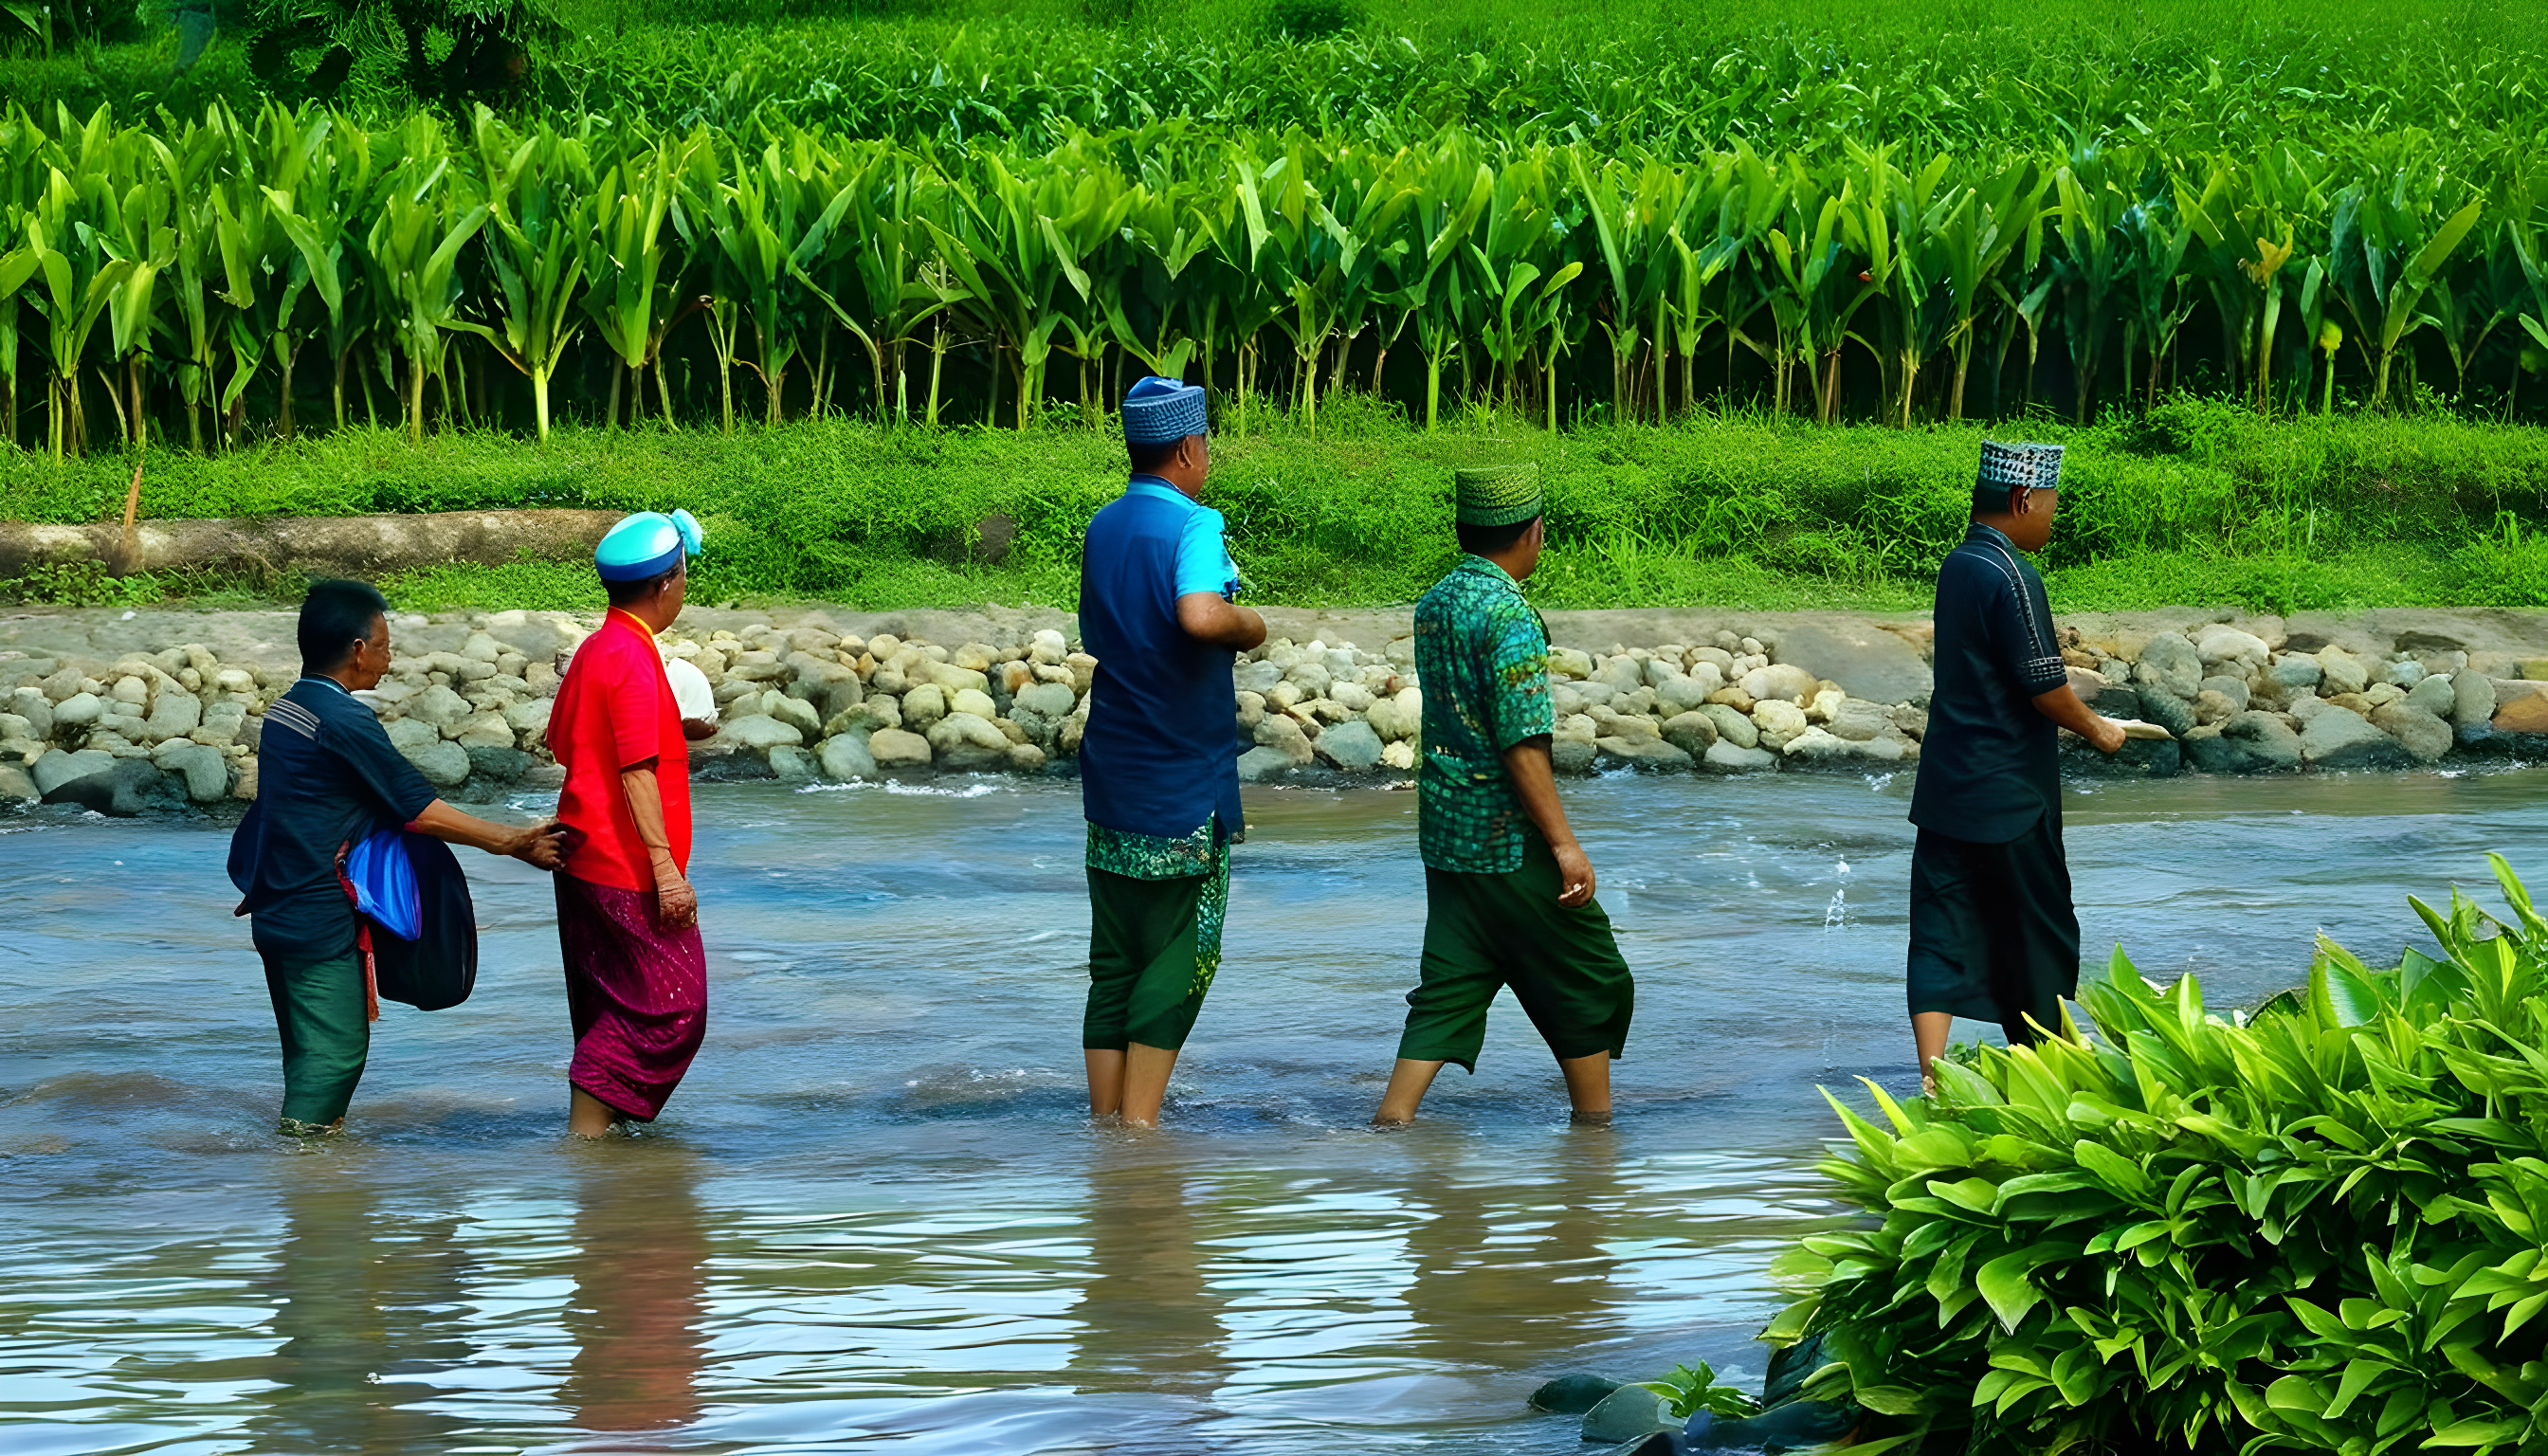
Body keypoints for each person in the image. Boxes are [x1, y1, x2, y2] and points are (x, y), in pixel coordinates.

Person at [230, 578, 564, 1136]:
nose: (389, 658)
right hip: (317, 915)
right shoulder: (343, 720)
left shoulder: (290, 709)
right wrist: (513, 841)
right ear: (358, 649)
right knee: (334, 1058)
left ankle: (304, 1187)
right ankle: (312, 1188)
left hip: (276, 904)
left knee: (306, 1052)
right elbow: (421, 810)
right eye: (385, 646)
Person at [1372, 464, 1634, 1128]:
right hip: (1505, 835)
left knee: (1454, 978)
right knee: (1589, 972)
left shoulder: (1435, 605)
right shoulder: (1509, 614)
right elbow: (1522, 744)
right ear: (1532, 533)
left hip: (1447, 831)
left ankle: (1391, 1124)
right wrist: (1564, 845)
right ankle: (1594, 1135)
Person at [1906, 441, 2125, 1093]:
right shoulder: (2012, 574)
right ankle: (2052, 1074)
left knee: (1941, 927)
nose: (2053, 520)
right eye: (2051, 506)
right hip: (2008, 793)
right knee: (2040, 929)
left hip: (1947, 785)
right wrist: (2101, 728)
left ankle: (1931, 1078)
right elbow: (2042, 687)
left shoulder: (1960, 562)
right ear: (2023, 500)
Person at [1076, 375, 1265, 1128]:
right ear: (1190, 448)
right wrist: (1250, 623)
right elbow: (1196, 614)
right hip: (1184, 777)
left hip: (1113, 769)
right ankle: (1140, 1133)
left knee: (1116, 957)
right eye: (1206, 445)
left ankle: (1104, 1125)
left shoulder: (1105, 526)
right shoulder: (1194, 525)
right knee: (1183, 958)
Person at [548, 509, 711, 1137]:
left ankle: (601, 1166)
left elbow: (564, 744)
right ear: (668, 582)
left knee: (610, 1000)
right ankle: (585, 1138)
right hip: (625, 865)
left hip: (579, 854)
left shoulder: (597, 648)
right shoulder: (636, 660)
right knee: (675, 1008)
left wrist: (674, 729)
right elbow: (636, 771)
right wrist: (667, 872)